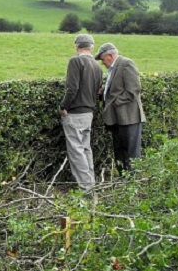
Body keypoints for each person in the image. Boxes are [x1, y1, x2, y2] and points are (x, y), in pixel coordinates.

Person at [60, 34, 103, 191]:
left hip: (75, 112)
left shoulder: (75, 61)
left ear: (76, 47)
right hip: (89, 112)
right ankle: (91, 183)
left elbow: (72, 88)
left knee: (76, 150)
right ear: (91, 47)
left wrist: (64, 106)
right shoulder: (97, 66)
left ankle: (86, 188)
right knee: (86, 149)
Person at [94, 42, 146, 172]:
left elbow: (133, 90)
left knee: (131, 154)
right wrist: (103, 94)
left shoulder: (126, 64)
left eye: (102, 59)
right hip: (117, 118)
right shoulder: (113, 68)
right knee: (120, 152)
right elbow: (116, 89)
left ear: (110, 56)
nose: (102, 63)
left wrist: (114, 102)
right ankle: (123, 181)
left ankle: (132, 183)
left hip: (129, 117)